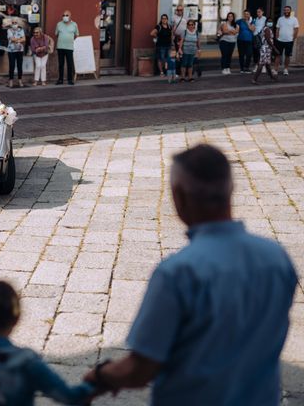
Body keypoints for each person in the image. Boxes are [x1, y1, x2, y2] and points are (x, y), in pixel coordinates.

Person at [84, 144, 297, 405]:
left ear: (179, 196)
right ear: (230, 190)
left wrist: (99, 376)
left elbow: (140, 369)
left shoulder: (177, 274)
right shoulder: (277, 257)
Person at [252, 17, 279, 85]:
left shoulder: (266, 28)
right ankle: (254, 79)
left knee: (267, 64)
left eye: (271, 21)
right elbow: (268, 39)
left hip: (267, 48)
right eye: (269, 21)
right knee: (261, 64)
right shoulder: (267, 29)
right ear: (266, 22)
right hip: (265, 48)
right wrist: (274, 48)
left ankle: (272, 77)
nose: (270, 23)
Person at [55, 10, 79, 85]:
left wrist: (70, 40)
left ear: (70, 16)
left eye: (67, 15)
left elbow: (77, 34)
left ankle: (70, 80)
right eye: (63, 15)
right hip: (60, 47)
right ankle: (60, 79)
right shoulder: (59, 24)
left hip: (69, 47)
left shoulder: (74, 24)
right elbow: (56, 34)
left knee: (70, 64)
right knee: (61, 64)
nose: (65, 16)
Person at [274, 5, 299, 76]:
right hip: (280, 40)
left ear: (290, 11)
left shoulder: (294, 19)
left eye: (287, 10)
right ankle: (276, 70)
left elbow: (296, 29)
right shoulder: (280, 19)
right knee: (278, 55)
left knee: (287, 56)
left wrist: (293, 38)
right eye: (285, 10)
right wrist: (277, 37)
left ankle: (286, 69)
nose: (286, 11)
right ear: (283, 11)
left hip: (289, 41)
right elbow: (277, 28)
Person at [7, 18, 26, 88]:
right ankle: (11, 80)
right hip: (11, 50)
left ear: (18, 24)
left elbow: (24, 39)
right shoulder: (9, 30)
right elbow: (11, 39)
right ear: (11, 24)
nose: (14, 24)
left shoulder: (21, 30)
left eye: (15, 23)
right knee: (12, 65)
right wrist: (19, 39)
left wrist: (16, 40)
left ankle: (20, 80)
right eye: (13, 23)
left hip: (20, 50)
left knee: (19, 66)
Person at [236, 9, 255, 73]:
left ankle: (246, 68)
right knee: (241, 54)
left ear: (250, 15)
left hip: (249, 40)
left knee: (249, 54)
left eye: (247, 14)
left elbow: (252, 29)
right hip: (240, 40)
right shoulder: (239, 21)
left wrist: (247, 22)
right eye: (245, 14)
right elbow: (234, 26)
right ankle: (242, 69)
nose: (246, 15)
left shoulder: (252, 21)